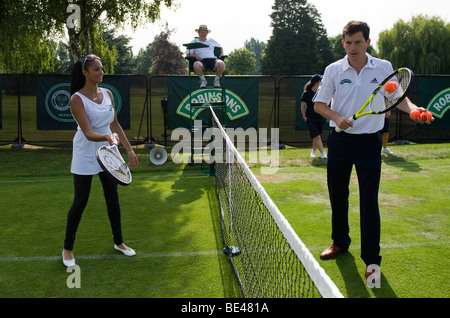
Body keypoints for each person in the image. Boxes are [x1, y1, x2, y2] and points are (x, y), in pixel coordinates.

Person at [313, 21, 432, 282]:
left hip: (369, 143)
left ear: (367, 42)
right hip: (340, 141)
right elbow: (319, 105)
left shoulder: (384, 67)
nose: (352, 47)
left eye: (357, 42)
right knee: (338, 195)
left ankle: (372, 261)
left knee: (369, 201)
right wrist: (337, 117)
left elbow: (397, 98)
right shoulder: (333, 69)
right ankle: (340, 242)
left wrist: (413, 109)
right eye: (348, 42)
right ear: (343, 42)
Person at [62, 54, 139, 267]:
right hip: (86, 152)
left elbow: (114, 124)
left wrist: (129, 150)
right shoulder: (76, 99)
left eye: (102, 69)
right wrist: (106, 137)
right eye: (96, 69)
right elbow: (87, 132)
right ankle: (67, 249)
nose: (101, 72)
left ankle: (119, 243)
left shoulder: (107, 94)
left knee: (112, 197)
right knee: (81, 201)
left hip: (109, 151)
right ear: (85, 72)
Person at [301, 74, 327, 159]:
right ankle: (323, 154)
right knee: (317, 136)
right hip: (310, 119)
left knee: (317, 136)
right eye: (320, 81)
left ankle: (313, 151)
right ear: (316, 82)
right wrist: (304, 117)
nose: (321, 82)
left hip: (320, 118)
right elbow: (302, 106)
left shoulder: (321, 93)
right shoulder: (306, 94)